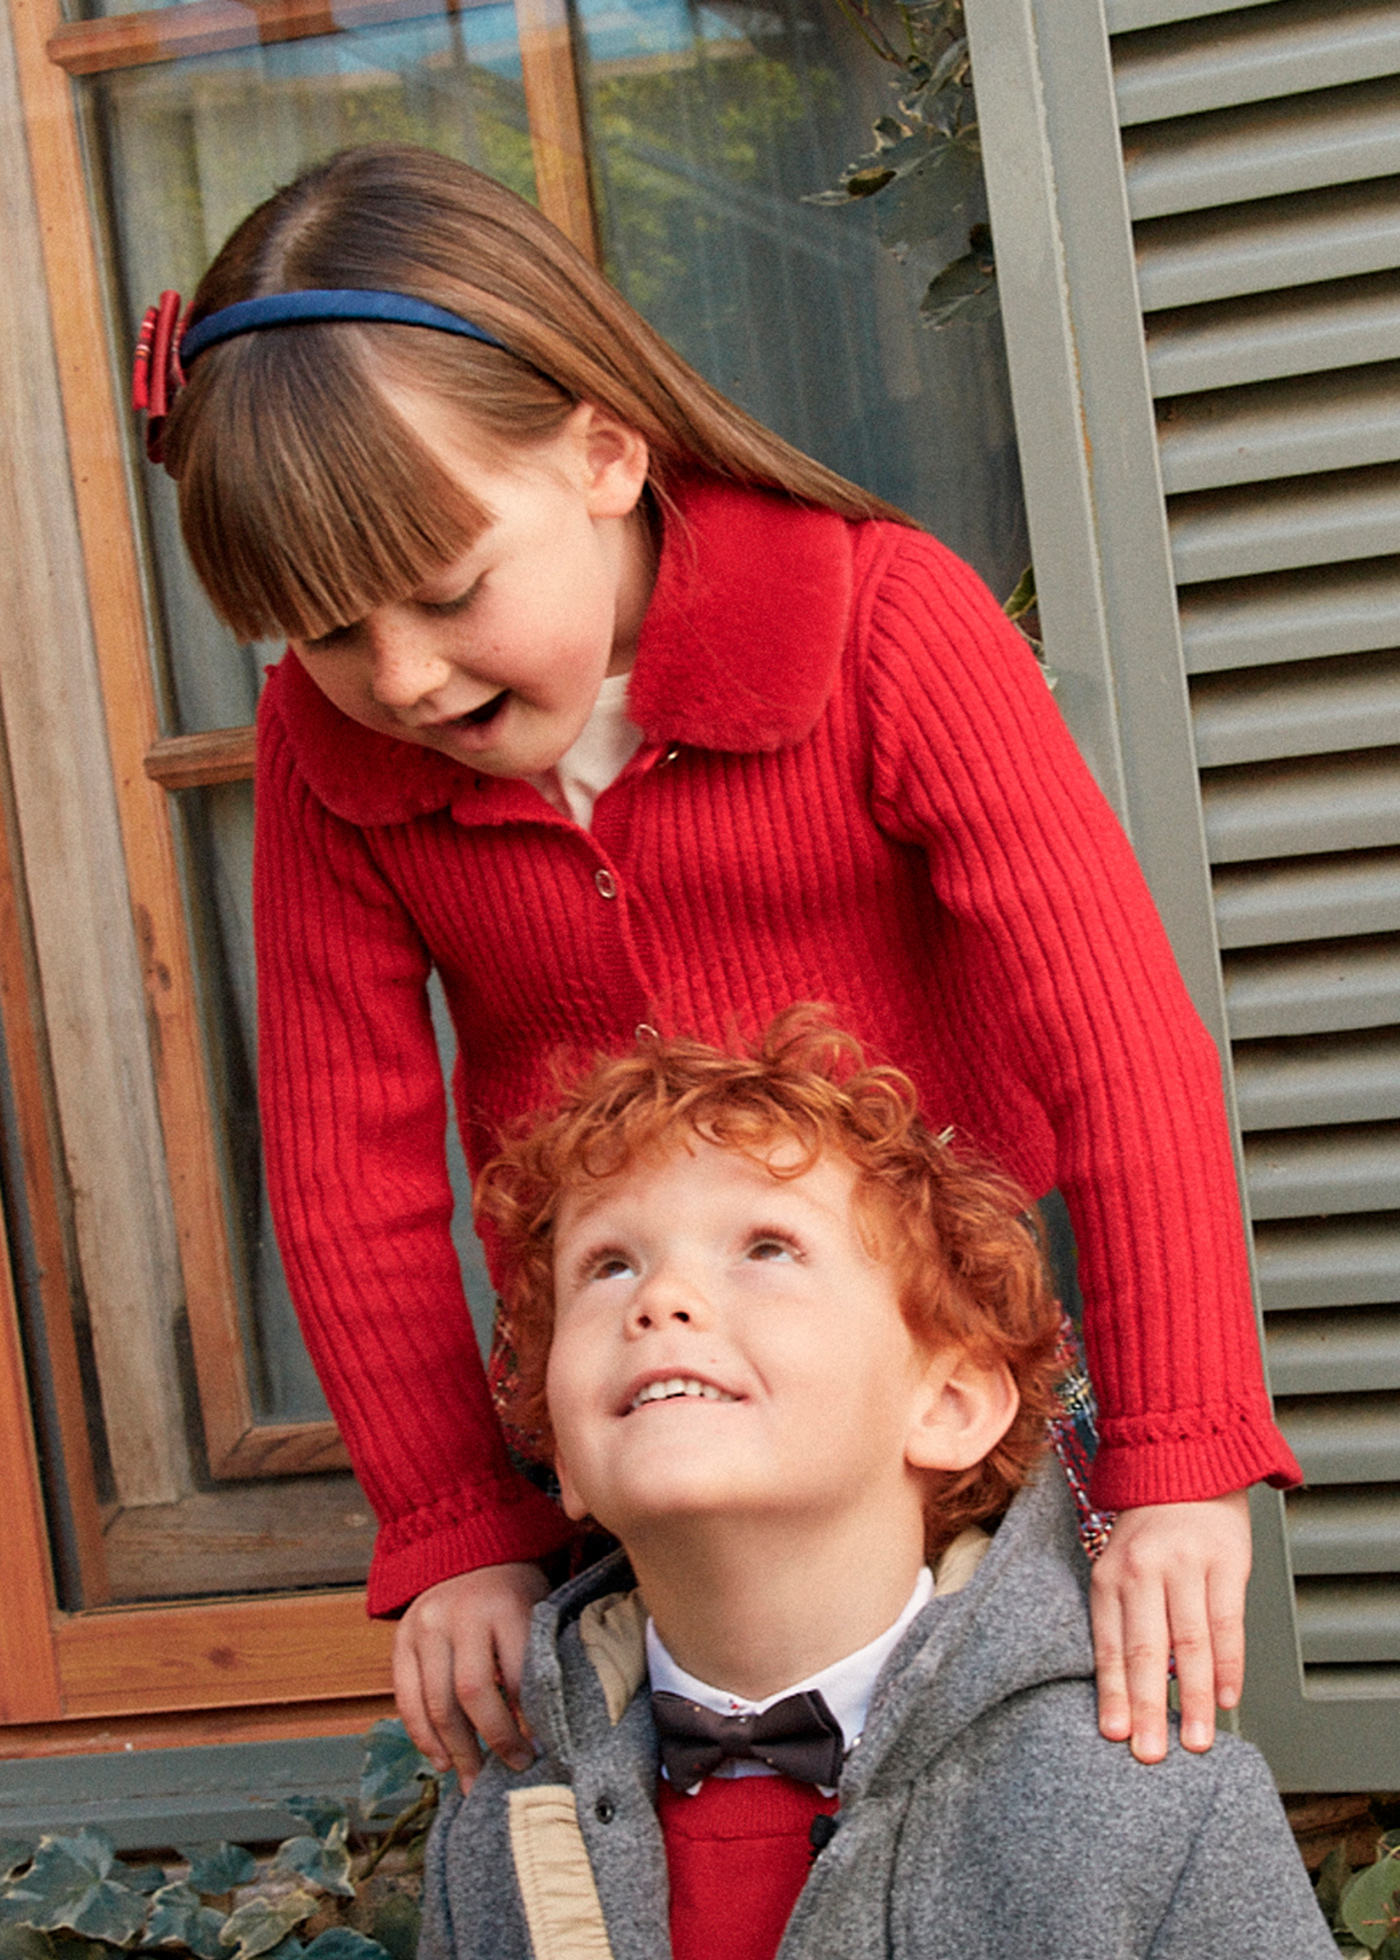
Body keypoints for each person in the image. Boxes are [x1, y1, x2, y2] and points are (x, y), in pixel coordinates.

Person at [134, 141, 1301, 1783]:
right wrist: (456, 1523)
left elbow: (1119, 1048)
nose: (397, 678)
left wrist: (1178, 1455)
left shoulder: (884, 625)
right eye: (325, 634)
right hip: (649, 1416)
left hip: (947, 1388)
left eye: (445, 592)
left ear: (603, 452)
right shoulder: (333, 760)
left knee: (1056, 1785)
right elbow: (346, 1172)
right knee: (662, 1820)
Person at [419, 1012, 1331, 1960]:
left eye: (765, 1246)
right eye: (609, 1265)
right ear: (562, 1456)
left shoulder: (1157, 1814)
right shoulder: (491, 1833)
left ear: (947, 1405)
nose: (660, 1298)